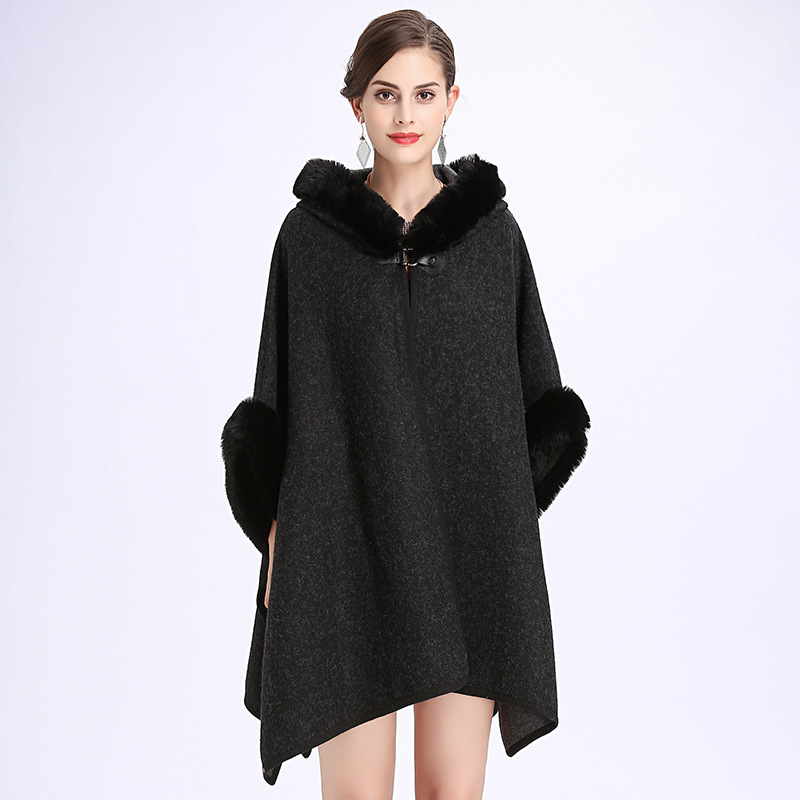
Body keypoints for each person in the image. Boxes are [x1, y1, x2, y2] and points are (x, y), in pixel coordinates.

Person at [221, 9, 591, 798]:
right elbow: (276, 404)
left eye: (424, 94)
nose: (405, 115)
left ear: (452, 100)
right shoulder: (309, 241)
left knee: (449, 793)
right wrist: (281, 536)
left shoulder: (493, 238)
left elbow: (536, 401)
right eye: (386, 94)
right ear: (356, 103)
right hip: (343, 552)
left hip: (470, 550)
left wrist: (501, 515)